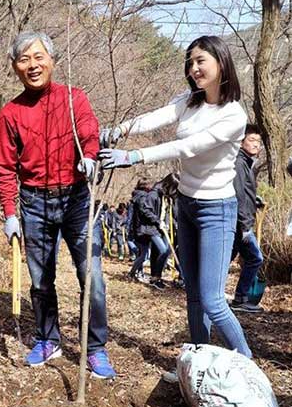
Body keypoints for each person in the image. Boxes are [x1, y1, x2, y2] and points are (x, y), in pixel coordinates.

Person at [99, 35, 252, 380]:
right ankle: (198, 368)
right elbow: (157, 117)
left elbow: (189, 147)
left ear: (221, 63)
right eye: (191, 62)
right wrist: (119, 129)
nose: (194, 68)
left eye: (202, 61)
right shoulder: (189, 102)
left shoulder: (234, 115)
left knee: (213, 299)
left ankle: (246, 367)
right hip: (186, 204)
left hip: (217, 208)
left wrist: (135, 156)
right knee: (194, 295)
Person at [0, 31, 116, 379]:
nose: (32, 65)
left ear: (52, 59)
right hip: (34, 202)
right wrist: (9, 213)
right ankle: (48, 337)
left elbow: (90, 133)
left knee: (91, 277)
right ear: (16, 67)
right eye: (24, 59)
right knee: (40, 280)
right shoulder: (11, 113)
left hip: (77, 198)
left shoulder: (73, 98)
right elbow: (5, 167)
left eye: (38, 57)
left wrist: (90, 158)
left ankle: (95, 347)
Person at [230, 124, 265, 313]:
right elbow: (238, 195)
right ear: (241, 141)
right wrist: (244, 225)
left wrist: (255, 201)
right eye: (251, 140)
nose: (256, 144)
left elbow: (246, 193)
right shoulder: (239, 163)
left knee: (228, 259)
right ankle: (240, 299)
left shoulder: (246, 163)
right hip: (239, 223)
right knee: (254, 258)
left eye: (258, 142)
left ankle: (237, 298)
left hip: (240, 221)